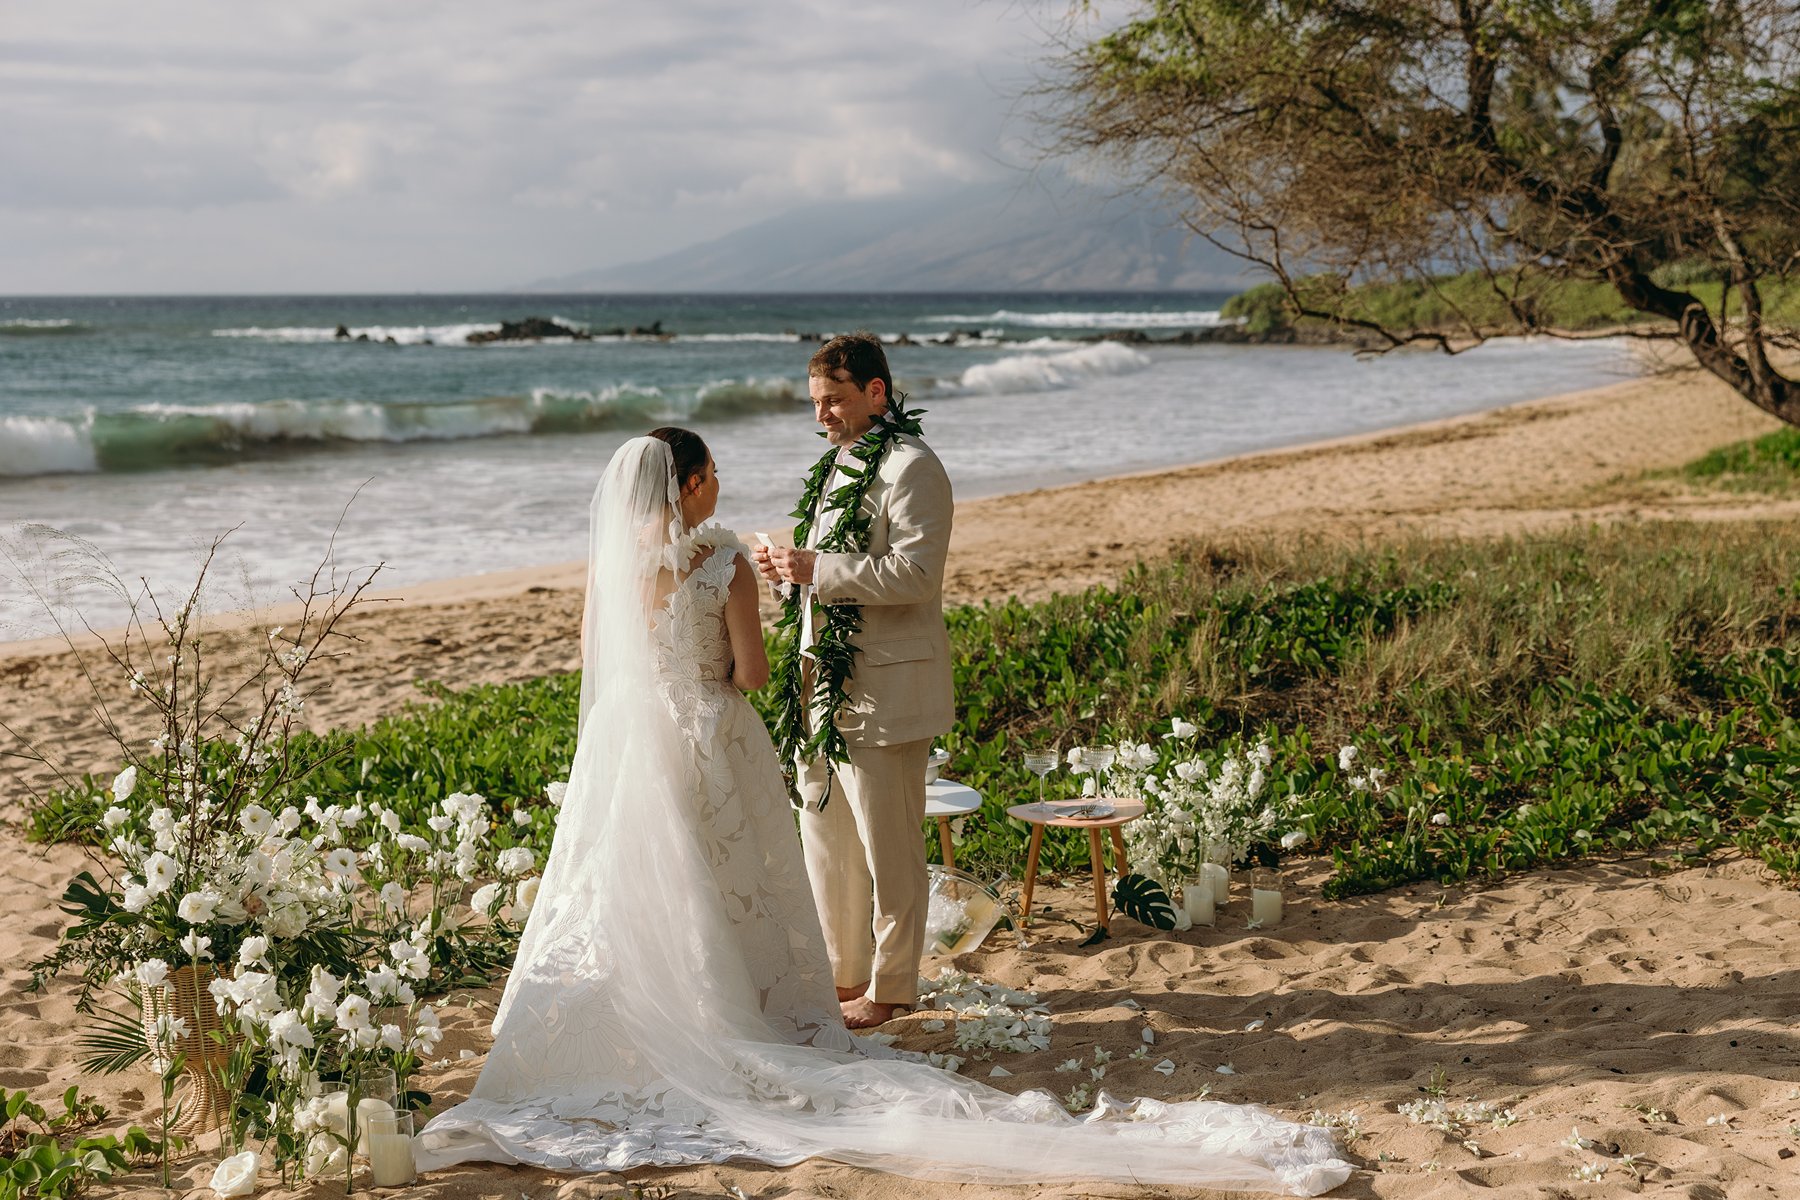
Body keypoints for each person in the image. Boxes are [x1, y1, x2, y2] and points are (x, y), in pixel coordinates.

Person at [412, 427, 1351, 1195]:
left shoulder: (617, 572)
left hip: (630, 741)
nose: (718, 488)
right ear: (691, 485)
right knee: (729, 873)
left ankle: (623, 1017)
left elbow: (616, 664)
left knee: (634, 879)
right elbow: (748, 672)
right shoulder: (722, 561)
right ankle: (745, 1017)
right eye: (712, 477)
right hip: (709, 734)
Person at [753, 333, 952, 1029]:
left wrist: (818, 570)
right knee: (827, 839)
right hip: (822, 684)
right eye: (815, 403)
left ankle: (893, 986)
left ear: (875, 392)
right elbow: (825, 572)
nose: (821, 416)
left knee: (888, 846)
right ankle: (844, 975)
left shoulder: (913, 467)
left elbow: (917, 575)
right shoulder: (837, 465)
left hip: (887, 691)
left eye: (833, 401)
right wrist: (788, 575)